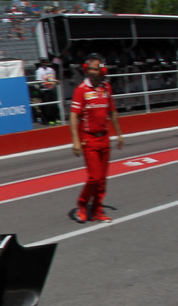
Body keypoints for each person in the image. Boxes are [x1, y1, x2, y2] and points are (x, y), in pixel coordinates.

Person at [69, 54, 125, 223]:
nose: (93, 72)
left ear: (102, 70)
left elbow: (112, 112)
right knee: (94, 177)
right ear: (86, 69)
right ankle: (82, 204)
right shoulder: (81, 90)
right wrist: (76, 141)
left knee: (102, 180)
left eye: (96, 69)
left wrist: (119, 134)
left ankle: (97, 210)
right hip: (89, 140)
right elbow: (73, 116)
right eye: (91, 69)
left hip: (104, 138)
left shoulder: (106, 88)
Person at [35, 59, 59, 124]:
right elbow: (38, 81)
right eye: (44, 62)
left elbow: (54, 77)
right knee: (47, 106)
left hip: (51, 88)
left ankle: (54, 118)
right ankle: (48, 120)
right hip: (45, 90)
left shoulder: (50, 69)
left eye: (46, 62)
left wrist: (54, 81)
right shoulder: (39, 71)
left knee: (54, 105)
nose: (45, 64)